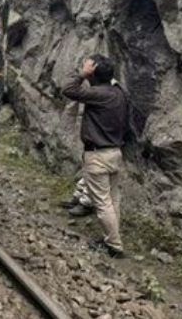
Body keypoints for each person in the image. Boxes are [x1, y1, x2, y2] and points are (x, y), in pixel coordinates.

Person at [61, 54, 128, 258]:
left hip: (98, 156)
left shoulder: (99, 94)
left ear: (94, 73)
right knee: (112, 200)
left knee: (102, 203)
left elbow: (68, 90)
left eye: (88, 67)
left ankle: (114, 246)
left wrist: (83, 74)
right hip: (115, 153)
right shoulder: (119, 93)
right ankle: (112, 239)